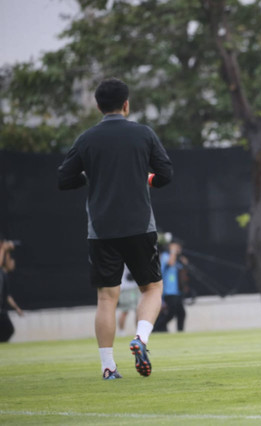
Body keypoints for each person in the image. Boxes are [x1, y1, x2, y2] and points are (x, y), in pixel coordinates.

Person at [57, 77, 173, 379]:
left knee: (107, 298)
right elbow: (165, 174)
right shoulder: (143, 134)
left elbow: (63, 179)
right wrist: (148, 178)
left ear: (98, 105)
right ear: (126, 104)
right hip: (139, 227)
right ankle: (141, 338)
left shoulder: (86, 139)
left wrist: (89, 175)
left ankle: (108, 367)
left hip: (101, 230)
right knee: (152, 288)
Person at [155, 240, 189, 332]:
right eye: (176, 247)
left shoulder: (178, 259)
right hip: (168, 291)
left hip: (177, 291)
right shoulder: (166, 256)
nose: (179, 249)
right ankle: (156, 328)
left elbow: (182, 271)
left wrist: (184, 263)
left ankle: (180, 331)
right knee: (170, 313)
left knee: (181, 313)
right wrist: (173, 251)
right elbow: (170, 263)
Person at [0, 239, 23, 342]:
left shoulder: (3, 274)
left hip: (2, 310)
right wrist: (3, 249)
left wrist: (17, 308)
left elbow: (8, 295)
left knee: (8, 329)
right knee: (9, 329)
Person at [117, 265, 139, 336]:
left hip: (137, 286)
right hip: (126, 288)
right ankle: (121, 332)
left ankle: (139, 332)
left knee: (139, 310)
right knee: (125, 311)